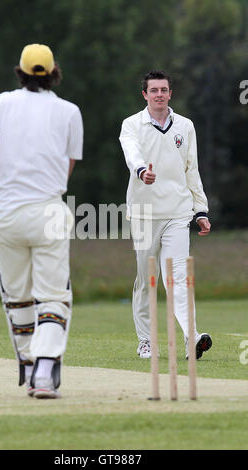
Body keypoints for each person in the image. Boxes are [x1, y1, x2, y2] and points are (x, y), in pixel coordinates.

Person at [0, 43, 83, 398]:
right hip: (47, 211)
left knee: (17, 294)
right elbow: (67, 170)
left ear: (21, 71)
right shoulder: (70, 112)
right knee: (53, 294)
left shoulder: (2, 102)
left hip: (4, 213)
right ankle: (45, 372)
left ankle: (29, 363)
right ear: (54, 71)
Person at [119, 70, 212, 360]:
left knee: (179, 277)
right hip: (145, 213)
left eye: (164, 90)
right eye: (154, 90)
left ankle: (191, 337)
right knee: (148, 278)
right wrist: (141, 171)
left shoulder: (185, 126)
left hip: (177, 212)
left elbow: (191, 170)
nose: (159, 94)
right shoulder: (131, 124)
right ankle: (146, 340)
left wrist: (200, 210)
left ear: (170, 94)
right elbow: (131, 151)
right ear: (144, 94)